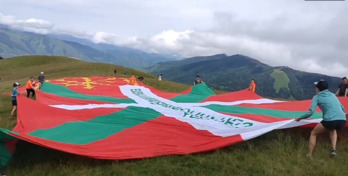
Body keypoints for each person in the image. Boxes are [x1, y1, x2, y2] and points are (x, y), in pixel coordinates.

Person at [295, 80, 346, 157]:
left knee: (313, 133)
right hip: (342, 120)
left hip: (330, 120)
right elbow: (342, 107)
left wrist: (300, 118)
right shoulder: (333, 95)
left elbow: (311, 112)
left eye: (316, 87)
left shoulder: (317, 97)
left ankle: (309, 154)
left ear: (318, 89)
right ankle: (333, 151)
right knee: (333, 130)